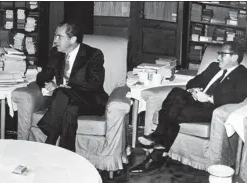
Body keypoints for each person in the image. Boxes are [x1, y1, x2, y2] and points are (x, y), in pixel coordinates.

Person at [131, 41, 247, 173]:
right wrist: (194, 89)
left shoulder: (243, 74)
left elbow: (237, 97)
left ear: (234, 57)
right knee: (176, 92)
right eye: (218, 53)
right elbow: (192, 82)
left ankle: (156, 147)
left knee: (172, 112)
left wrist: (209, 98)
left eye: (222, 54)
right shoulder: (214, 67)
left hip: (212, 109)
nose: (218, 57)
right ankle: (159, 149)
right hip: (195, 101)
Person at [35, 22, 108, 152]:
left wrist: (64, 86)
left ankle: (50, 138)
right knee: (70, 108)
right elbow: (42, 75)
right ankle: (67, 151)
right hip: (66, 101)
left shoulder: (93, 54)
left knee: (62, 93)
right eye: (55, 36)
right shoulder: (56, 53)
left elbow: (95, 83)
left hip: (90, 101)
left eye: (59, 37)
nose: (55, 40)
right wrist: (47, 82)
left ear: (73, 39)